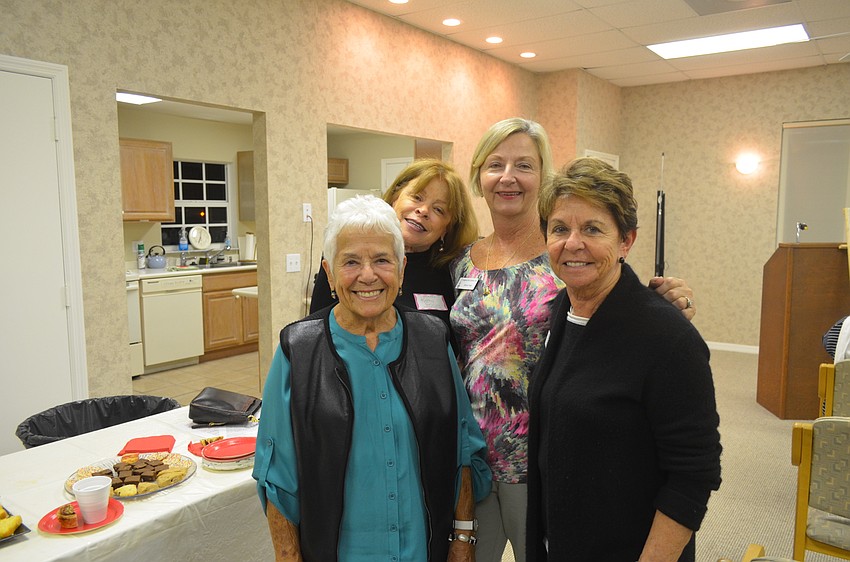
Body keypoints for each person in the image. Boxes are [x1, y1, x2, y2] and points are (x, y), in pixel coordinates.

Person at [449, 118, 697, 562]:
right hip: (475, 458)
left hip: (546, 459)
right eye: (495, 164)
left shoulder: (566, 259)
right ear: (478, 176)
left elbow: (619, 306)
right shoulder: (461, 261)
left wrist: (664, 301)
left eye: (524, 165)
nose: (508, 177)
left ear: (542, 176)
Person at [253, 195, 491, 562]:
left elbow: (462, 448)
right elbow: (277, 475)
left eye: (382, 260)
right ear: (329, 273)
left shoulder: (432, 338)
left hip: (422, 550)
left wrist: (463, 539)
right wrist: (288, 556)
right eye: (351, 262)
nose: (368, 275)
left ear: (401, 268)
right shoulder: (297, 349)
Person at [526, 157, 722, 561]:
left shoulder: (667, 337)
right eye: (559, 229)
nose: (572, 243)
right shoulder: (561, 310)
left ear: (626, 241)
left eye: (592, 229)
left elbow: (693, 474)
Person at [311, 158, 479, 331]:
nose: (423, 210)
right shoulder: (344, 256)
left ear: (448, 227)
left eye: (438, 209)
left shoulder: (452, 273)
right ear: (394, 198)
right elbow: (316, 329)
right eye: (417, 197)